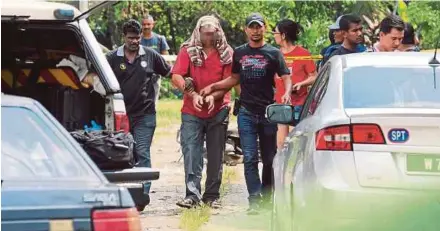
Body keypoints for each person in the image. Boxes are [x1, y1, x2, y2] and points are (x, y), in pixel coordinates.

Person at [200, 12, 292, 214]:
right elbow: (234, 79)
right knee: (250, 157)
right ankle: (254, 200)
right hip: (247, 113)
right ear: (246, 29)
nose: (255, 30)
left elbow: (286, 76)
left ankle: (268, 198)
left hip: (268, 112)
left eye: (259, 26)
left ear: (264, 28)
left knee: (269, 159)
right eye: (252, 27)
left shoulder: (273, 53)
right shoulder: (240, 53)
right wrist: (213, 87)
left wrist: (286, 92)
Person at [171, 15, 233, 209]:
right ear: (198, 32)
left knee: (216, 154)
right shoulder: (187, 50)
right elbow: (176, 76)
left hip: (218, 109)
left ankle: (212, 195)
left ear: (218, 32)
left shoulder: (227, 52)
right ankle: (192, 195)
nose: (208, 37)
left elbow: (230, 80)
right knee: (191, 151)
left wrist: (214, 96)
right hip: (192, 109)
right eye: (205, 33)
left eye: (212, 33)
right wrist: (193, 95)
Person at [106, 19, 171, 202]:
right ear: (123, 37)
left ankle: (142, 194)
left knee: (142, 152)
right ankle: (123, 194)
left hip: (145, 114)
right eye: (131, 38)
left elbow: (171, 73)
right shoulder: (112, 58)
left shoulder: (150, 55)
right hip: (120, 115)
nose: (135, 41)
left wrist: (189, 86)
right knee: (123, 153)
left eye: (137, 38)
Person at [272, 19, 317, 150]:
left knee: (295, 145)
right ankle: (281, 170)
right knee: (281, 146)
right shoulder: (275, 54)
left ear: (283, 35)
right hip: (280, 104)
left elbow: (314, 76)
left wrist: (301, 84)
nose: (274, 35)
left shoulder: (303, 54)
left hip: (299, 105)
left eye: (275, 32)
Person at [141, 15, 171, 102]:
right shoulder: (136, 39)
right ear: (141, 25)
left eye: (148, 24)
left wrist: (173, 75)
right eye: (144, 24)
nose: (146, 26)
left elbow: (167, 59)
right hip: (138, 77)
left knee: (153, 103)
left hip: (155, 77)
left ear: (153, 24)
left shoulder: (160, 39)